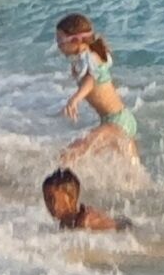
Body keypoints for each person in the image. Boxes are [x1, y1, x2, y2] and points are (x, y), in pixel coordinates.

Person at [54, 12, 140, 166]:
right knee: (132, 175)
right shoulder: (84, 59)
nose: (58, 44)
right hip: (116, 120)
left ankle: (55, 185)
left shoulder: (91, 58)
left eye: (60, 40)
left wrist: (75, 99)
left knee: (69, 155)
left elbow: (91, 81)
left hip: (118, 122)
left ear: (76, 40)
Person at [41, 168, 131, 233]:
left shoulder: (85, 222)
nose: (48, 204)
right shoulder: (65, 222)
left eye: (51, 199)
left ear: (70, 199)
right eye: (46, 199)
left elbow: (123, 227)